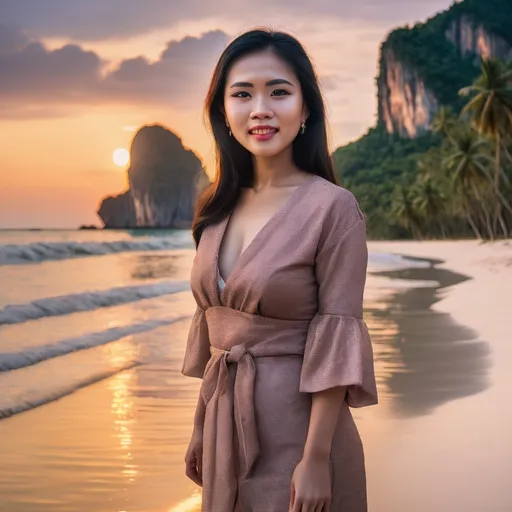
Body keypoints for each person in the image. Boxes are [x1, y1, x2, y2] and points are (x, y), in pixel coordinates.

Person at [181, 27, 378, 512]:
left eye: (279, 92)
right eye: (242, 94)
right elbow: (218, 343)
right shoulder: (215, 209)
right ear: (223, 112)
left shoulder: (333, 208)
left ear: (305, 108)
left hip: (301, 436)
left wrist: (315, 458)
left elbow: (336, 332)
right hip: (225, 431)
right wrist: (200, 430)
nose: (260, 108)